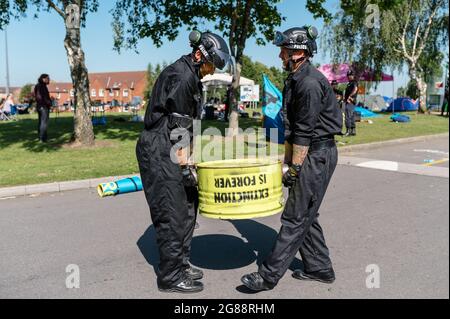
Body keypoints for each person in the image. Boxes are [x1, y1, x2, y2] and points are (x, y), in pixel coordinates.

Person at [241, 25, 342, 292]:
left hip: (317, 153)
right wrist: (287, 163)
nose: (280, 56)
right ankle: (320, 268)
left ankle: (268, 276)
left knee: (295, 216)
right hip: (309, 151)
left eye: (283, 50)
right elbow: (292, 129)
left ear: (297, 53)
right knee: (306, 212)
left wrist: (295, 168)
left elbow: (305, 133)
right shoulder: (295, 78)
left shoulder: (308, 83)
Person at [136, 31, 231, 294]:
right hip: (160, 149)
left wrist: (188, 163)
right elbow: (178, 128)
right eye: (212, 63)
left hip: (173, 146)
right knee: (172, 213)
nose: (212, 70)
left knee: (189, 209)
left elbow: (186, 128)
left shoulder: (192, 74)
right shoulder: (184, 76)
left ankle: (181, 263)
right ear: (200, 55)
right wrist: (184, 166)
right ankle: (170, 276)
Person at [34, 74, 52, 142]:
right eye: (48, 78)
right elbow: (40, 97)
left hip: (40, 106)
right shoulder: (41, 86)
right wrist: (49, 102)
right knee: (43, 122)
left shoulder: (40, 86)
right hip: (43, 107)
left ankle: (42, 137)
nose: (49, 80)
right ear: (43, 79)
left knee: (41, 122)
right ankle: (42, 138)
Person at [344, 70, 359, 136]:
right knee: (352, 116)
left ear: (353, 76)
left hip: (351, 101)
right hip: (349, 101)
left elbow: (355, 89)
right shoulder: (349, 83)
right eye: (348, 75)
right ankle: (353, 131)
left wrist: (350, 96)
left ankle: (348, 131)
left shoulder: (354, 82)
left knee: (348, 116)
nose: (349, 76)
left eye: (350, 75)